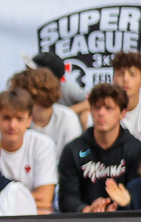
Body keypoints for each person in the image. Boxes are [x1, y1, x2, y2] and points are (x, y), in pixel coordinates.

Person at [58, 83, 141, 213]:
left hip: (125, 219)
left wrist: (121, 207)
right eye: (97, 107)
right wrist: (88, 210)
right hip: (83, 221)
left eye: (108, 108)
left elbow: (137, 193)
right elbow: (66, 197)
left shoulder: (136, 149)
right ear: (90, 110)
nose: (101, 113)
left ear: (123, 113)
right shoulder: (73, 150)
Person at [0, 89, 57, 215]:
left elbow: (45, 198)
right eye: (6, 118)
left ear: (29, 121)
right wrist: (25, 202)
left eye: (19, 119)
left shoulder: (43, 145)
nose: (12, 125)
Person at [9, 66, 82, 159]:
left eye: (22, 95)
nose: (17, 101)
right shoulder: (16, 120)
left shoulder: (67, 118)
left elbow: (73, 159)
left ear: (37, 95)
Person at [113, 51, 141, 136]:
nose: (125, 79)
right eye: (121, 74)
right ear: (113, 79)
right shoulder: (101, 110)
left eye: (132, 74)